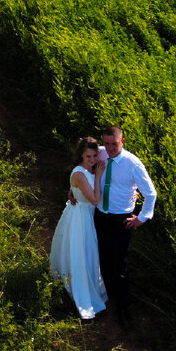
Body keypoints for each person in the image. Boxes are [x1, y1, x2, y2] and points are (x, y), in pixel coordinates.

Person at [93, 124, 156, 329]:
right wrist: (73, 189)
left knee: (120, 263)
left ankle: (122, 306)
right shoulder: (100, 153)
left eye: (114, 144)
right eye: (106, 143)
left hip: (121, 220)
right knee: (103, 257)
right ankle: (106, 296)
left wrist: (142, 218)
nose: (110, 148)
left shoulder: (133, 164)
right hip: (100, 216)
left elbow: (151, 194)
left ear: (122, 141)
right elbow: (82, 163)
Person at [49, 137, 108, 319]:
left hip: (88, 216)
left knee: (88, 253)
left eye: (94, 156)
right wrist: (98, 177)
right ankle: (78, 289)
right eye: (88, 156)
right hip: (80, 218)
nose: (92, 160)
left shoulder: (88, 169)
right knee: (80, 253)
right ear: (81, 155)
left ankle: (91, 284)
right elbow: (95, 200)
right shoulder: (81, 174)